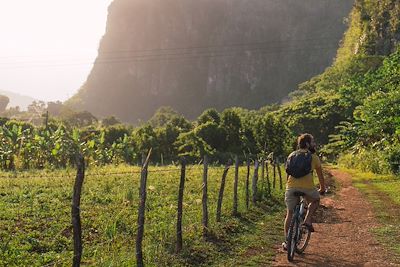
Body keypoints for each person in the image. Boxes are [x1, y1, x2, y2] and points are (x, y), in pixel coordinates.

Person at [282, 133, 325, 250]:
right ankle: (307, 220)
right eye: (312, 142)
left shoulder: (291, 155)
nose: (314, 144)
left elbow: (288, 173)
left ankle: (287, 242)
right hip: (308, 188)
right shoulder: (313, 157)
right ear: (307, 144)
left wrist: (289, 187)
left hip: (291, 187)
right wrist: (322, 189)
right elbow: (320, 176)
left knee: (290, 213)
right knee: (315, 200)